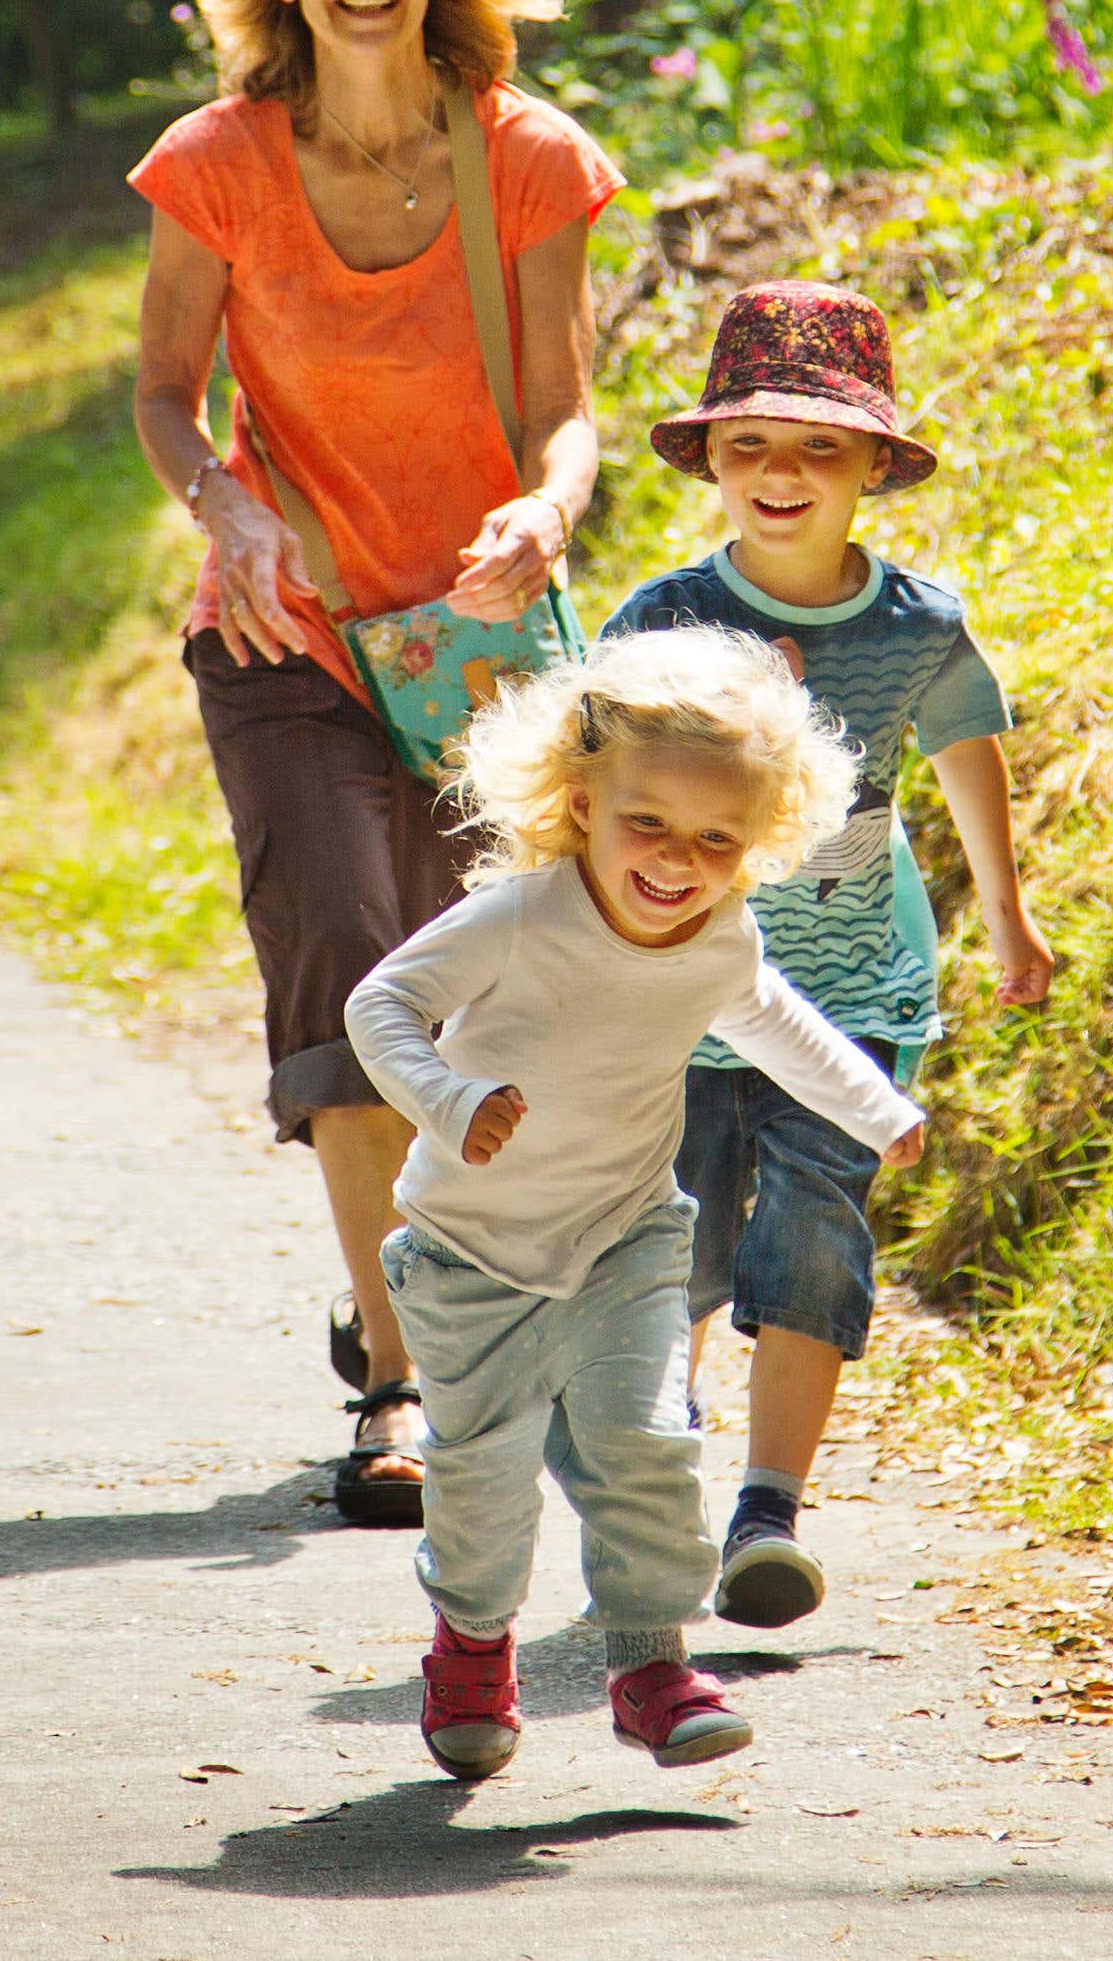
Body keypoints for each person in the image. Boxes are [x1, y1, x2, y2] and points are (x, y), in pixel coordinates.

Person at [126, 0, 623, 1525]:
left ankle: (395, 1284)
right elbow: (159, 401)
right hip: (285, 634)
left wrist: (545, 519)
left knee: (472, 994)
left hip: (478, 636)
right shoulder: (212, 162)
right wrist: (226, 514)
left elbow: (564, 419)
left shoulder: (527, 156)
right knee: (347, 964)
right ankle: (399, 1397)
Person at [342, 626, 927, 1779]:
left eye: (717, 838)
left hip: (626, 1240)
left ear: (758, 844)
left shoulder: (718, 935)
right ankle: (471, 1641)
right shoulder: (520, 916)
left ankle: (651, 1665)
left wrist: (876, 1109)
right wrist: (450, 1099)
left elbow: (773, 1019)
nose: (676, 860)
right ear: (578, 800)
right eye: (646, 823)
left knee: (647, 1448)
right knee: (485, 1475)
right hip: (471, 1250)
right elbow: (380, 1005)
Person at [601, 279, 1059, 1631]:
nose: (780, 475)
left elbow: (968, 759)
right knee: (669, 1239)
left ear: (872, 465)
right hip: (677, 994)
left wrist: (1010, 916)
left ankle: (766, 1513)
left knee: (811, 1232)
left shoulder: (920, 625)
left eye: (816, 447)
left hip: (854, 989)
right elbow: (597, 797)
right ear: (713, 467)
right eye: (748, 446)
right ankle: (657, 1462)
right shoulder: (661, 617)